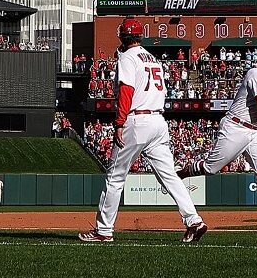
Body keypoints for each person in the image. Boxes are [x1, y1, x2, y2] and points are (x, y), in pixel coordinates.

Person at [79, 18, 207, 243]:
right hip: (158, 120)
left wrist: (119, 124)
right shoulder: (152, 58)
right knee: (169, 175)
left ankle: (104, 230)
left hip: (136, 120)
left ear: (122, 36)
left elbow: (127, 92)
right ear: (139, 36)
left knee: (115, 178)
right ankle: (194, 220)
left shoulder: (127, 58)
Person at [177, 47, 257, 230]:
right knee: (210, 168)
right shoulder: (256, 73)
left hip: (254, 130)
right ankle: (180, 174)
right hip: (236, 127)